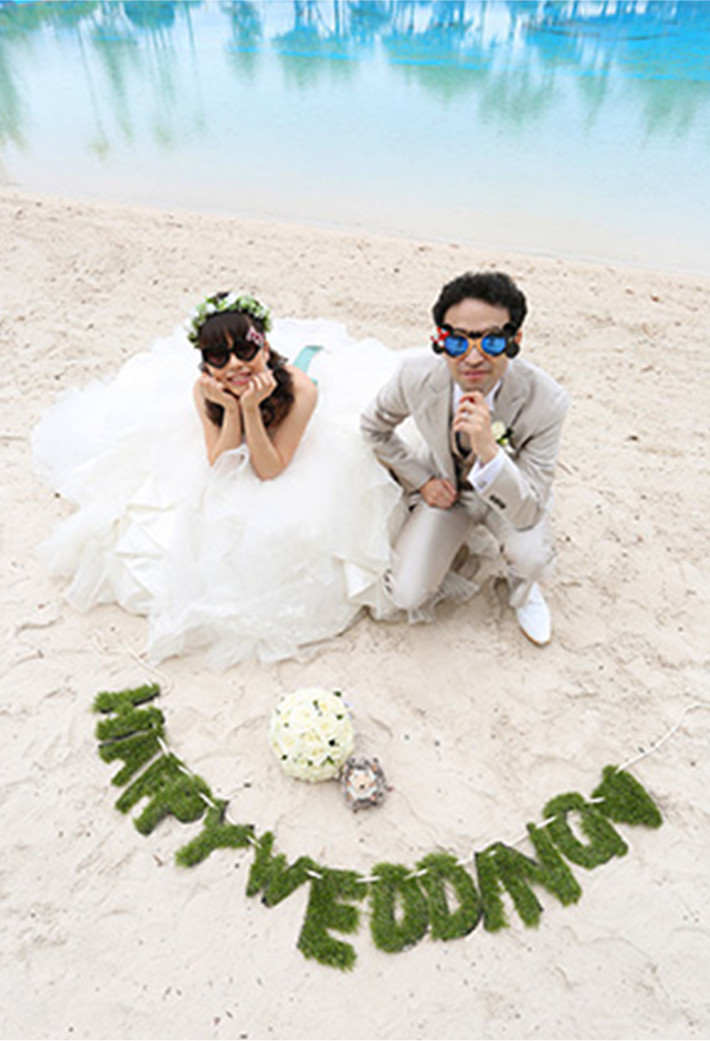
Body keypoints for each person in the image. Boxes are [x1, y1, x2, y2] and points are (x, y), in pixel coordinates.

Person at [32, 292, 400, 668]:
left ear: (265, 347)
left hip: (279, 453)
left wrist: (252, 409)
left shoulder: (302, 389)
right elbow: (221, 463)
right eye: (219, 357)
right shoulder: (205, 388)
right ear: (206, 363)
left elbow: (269, 469)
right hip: (237, 443)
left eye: (245, 350)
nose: (235, 365)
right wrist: (228, 408)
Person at [360, 270, 569, 645]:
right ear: (440, 340)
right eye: (458, 341)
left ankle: (523, 589)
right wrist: (423, 480)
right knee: (406, 594)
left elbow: (529, 508)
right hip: (446, 490)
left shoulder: (547, 399)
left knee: (532, 557)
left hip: (512, 496)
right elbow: (373, 427)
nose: (473, 357)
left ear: (515, 340)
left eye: (492, 341)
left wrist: (489, 451)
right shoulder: (415, 376)